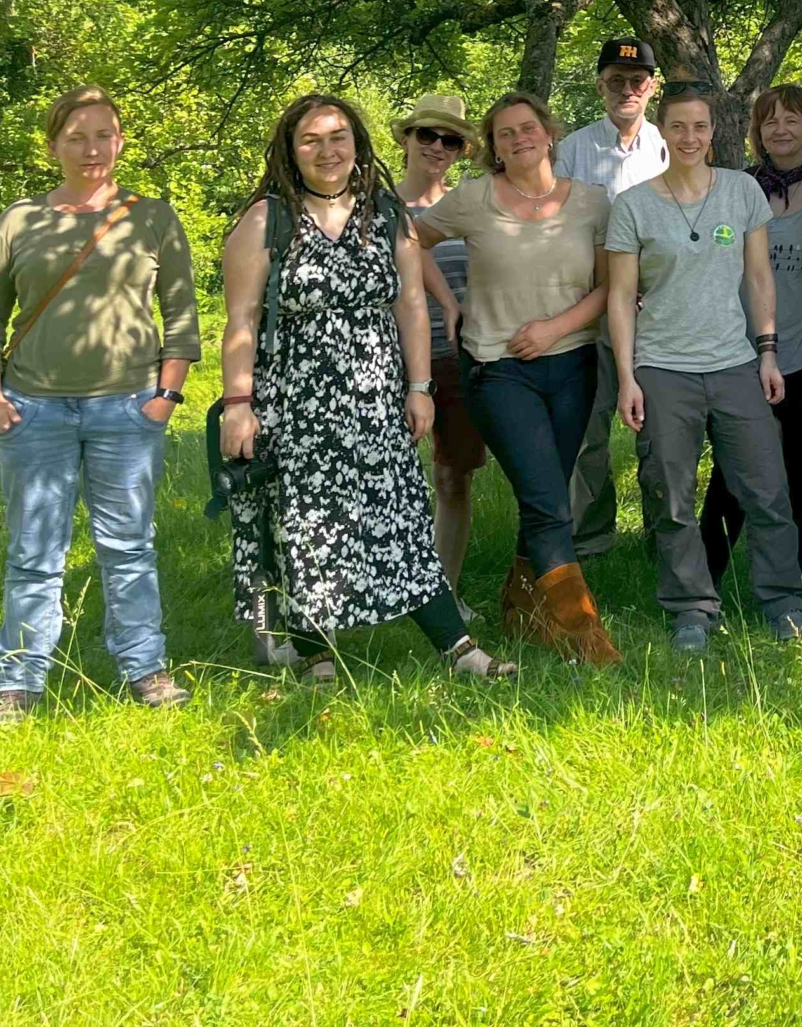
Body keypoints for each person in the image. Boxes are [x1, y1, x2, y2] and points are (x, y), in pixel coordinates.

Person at [215, 95, 513, 685]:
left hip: (376, 398)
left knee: (401, 520)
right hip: (294, 402)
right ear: (289, 150)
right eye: (311, 140)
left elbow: (409, 305)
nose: (327, 151)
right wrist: (238, 405)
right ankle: (313, 655)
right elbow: (241, 320)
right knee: (302, 524)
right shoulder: (265, 220)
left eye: (337, 137)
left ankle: (461, 652)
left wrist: (421, 386)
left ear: (357, 144)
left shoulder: (386, 215)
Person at [0, 86, 200, 725]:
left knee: (128, 546)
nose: (91, 148)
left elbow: (181, 313)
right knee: (34, 553)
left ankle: (145, 668)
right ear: (53, 147)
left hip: (127, 409)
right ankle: (19, 683)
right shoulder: (20, 221)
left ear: (120, 142)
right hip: (32, 410)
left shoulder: (153, 216)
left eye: (103, 135)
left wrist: (167, 396)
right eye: (77, 136)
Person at [414, 93, 617, 664]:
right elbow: (411, 239)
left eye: (527, 128)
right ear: (494, 148)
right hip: (497, 369)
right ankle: (582, 634)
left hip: (574, 363)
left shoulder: (593, 203)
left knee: (548, 491)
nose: (519, 139)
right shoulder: (473, 200)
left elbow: (609, 287)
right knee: (548, 500)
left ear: (549, 133)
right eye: (505, 134)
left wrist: (555, 329)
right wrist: (447, 302)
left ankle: (520, 605)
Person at [605, 85, 802, 649]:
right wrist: (627, 377)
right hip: (663, 368)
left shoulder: (742, 192)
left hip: (735, 362)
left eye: (700, 126)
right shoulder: (634, 205)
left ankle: (783, 601)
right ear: (662, 132)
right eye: (678, 126)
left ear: (714, 132)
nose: (689, 137)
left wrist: (767, 351)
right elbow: (620, 297)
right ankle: (691, 607)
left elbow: (759, 277)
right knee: (669, 495)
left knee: (766, 488)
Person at [700, 84, 802, 578]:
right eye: (769, 122)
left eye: (791, 120)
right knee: (735, 462)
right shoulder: (738, 187)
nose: (780, 130)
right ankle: (708, 570)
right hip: (745, 349)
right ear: (756, 134)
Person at [556, 37, 668, 563]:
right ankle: (591, 540)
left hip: (658, 311)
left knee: (661, 431)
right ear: (600, 85)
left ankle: (661, 538)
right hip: (588, 307)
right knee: (588, 433)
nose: (628, 89)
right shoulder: (572, 151)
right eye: (617, 80)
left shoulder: (670, 147)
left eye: (638, 80)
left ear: (652, 86)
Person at [394, 92, 482, 593]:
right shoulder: (375, 203)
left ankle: (443, 593)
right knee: (385, 479)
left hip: (455, 357)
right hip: (387, 359)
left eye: (449, 139)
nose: (436, 146)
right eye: (426, 134)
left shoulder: (468, 205)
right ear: (406, 139)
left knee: (453, 478)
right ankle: (382, 588)